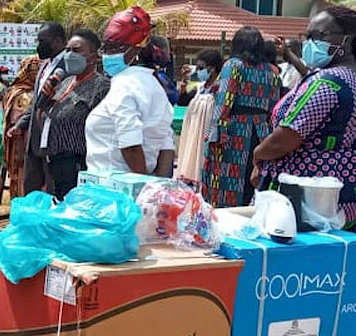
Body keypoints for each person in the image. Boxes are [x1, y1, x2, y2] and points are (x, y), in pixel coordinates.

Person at [254, 6, 356, 226]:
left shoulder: (327, 83)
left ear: (346, 41)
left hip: (306, 196)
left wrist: (258, 155)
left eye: (318, 36)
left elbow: (285, 139)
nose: (310, 42)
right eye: (307, 36)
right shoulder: (350, 78)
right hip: (343, 194)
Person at [84, 7, 175, 176]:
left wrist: (138, 186)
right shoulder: (156, 86)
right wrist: (157, 187)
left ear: (137, 50)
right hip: (138, 189)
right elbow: (166, 146)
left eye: (115, 48)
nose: (108, 55)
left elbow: (131, 145)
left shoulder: (123, 84)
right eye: (106, 48)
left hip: (111, 190)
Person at [202, 26, 280, 208]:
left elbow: (225, 100)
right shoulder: (271, 70)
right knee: (250, 181)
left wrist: (214, 134)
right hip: (260, 132)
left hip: (234, 131)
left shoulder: (234, 65)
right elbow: (274, 105)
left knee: (226, 180)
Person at [39, 29, 110, 199]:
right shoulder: (65, 82)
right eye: (68, 50)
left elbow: (100, 128)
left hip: (78, 165)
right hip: (54, 162)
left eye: (76, 50)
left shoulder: (101, 87)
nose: (70, 55)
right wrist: (44, 99)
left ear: (94, 56)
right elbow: (44, 118)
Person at [8, 22, 68, 195]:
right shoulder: (44, 66)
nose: (39, 45)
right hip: (35, 141)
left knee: (52, 192)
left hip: (55, 142)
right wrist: (20, 124)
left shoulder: (69, 66)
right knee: (31, 190)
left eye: (43, 41)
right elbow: (37, 102)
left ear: (57, 41)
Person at [175, 49, 222, 185]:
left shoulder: (219, 89)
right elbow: (182, 101)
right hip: (192, 132)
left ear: (212, 69)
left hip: (205, 133)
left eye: (201, 68)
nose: (199, 71)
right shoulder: (199, 88)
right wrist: (184, 82)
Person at [0, 57, 41, 199]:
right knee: (22, 177)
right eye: (34, 71)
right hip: (21, 143)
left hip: (32, 142)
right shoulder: (22, 94)